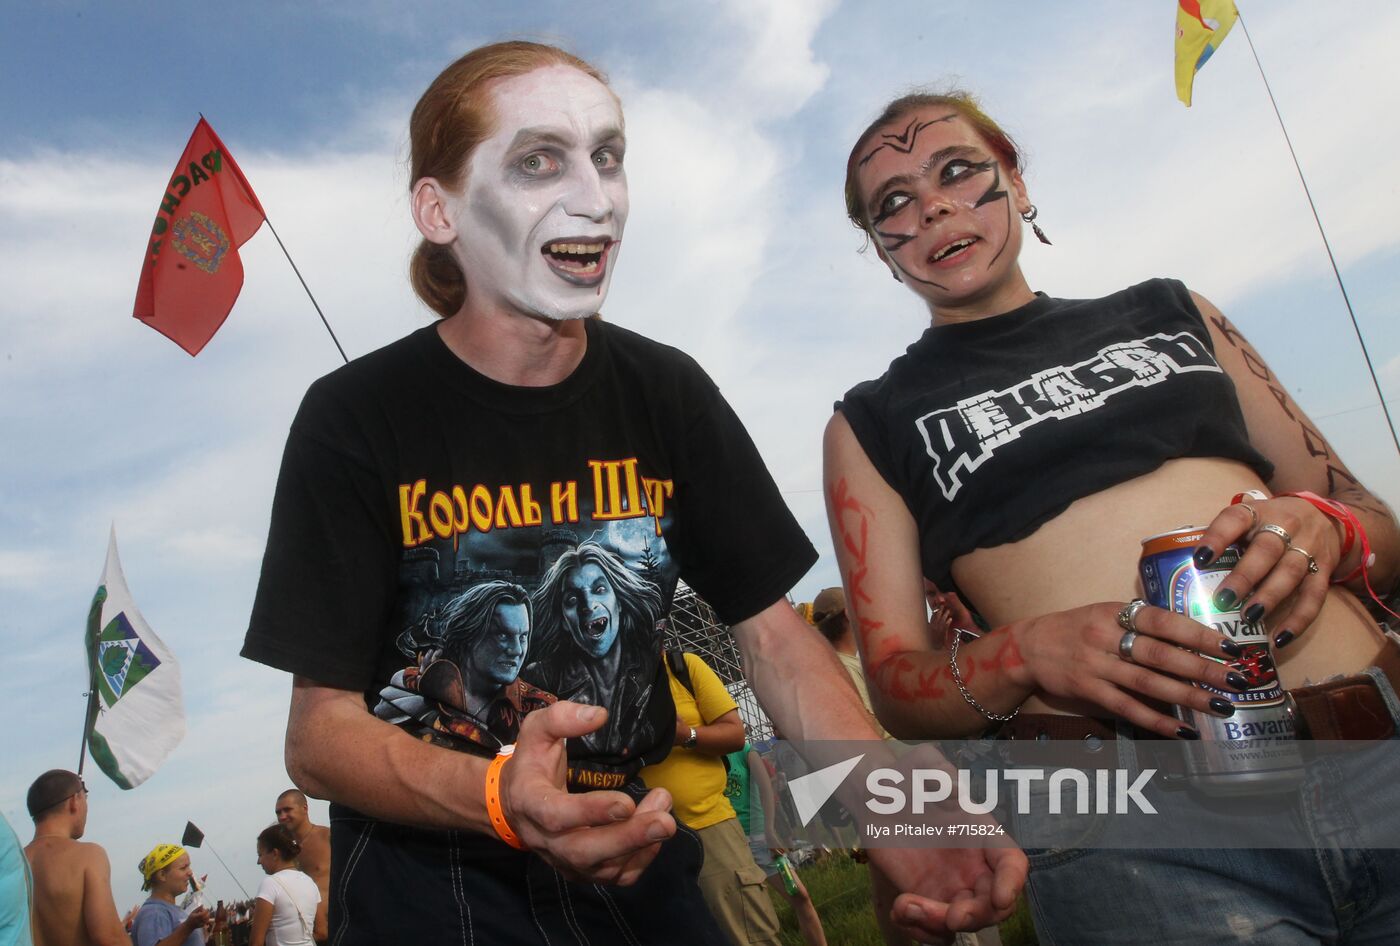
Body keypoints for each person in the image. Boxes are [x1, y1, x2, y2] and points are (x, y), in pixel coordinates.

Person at [242, 41, 1024, 945]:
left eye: (607, 156)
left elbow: (772, 636)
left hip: (646, 872)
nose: (595, 195)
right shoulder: (355, 418)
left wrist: (899, 808)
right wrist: (499, 797)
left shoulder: (666, 392)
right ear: (440, 208)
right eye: (539, 160)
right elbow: (319, 735)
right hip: (434, 900)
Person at [828, 87, 1400, 944]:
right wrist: (1024, 654)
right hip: (1145, 836)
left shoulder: (1178, 311)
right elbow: (899, 684)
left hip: (1378, 752)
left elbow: (1374, 520)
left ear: (1016, 182)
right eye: (894, 204)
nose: (935, 205)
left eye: (955, 171)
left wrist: (1326, 527)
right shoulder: (869, 423)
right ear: (881, 249)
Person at [638, 651, 780, 945]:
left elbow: (734, 735)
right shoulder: (594, 685)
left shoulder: (681, 667)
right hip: (641, 843)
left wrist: (682, 735)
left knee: (748, 936)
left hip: (709, 828)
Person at [374, 580, 555, 748]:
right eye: (502, 635)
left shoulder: (540, 706)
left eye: (523, 637)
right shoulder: (413, 682)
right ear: (470, 636)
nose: (517, 650)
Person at [722, 740, 826, 946]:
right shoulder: (698, 756)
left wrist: (769, 830)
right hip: (728, 843)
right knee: (749, 915)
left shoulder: (742, 750)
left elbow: (765, 788)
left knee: (800, 896)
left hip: (759, 839)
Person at [21, 770, 128, 946]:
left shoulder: (12, 864)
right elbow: (109, 938)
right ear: (74, 801)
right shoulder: (89, 856)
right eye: (85, 798)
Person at [249, 825, 324, 946]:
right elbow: (322, 932)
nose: (259, 861)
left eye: (260, 854)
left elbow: (255, 942)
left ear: (274, 853)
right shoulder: (310, 882)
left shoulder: (270, 884)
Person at [131, 844, 210, 946]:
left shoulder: (170, 910)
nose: (190, 873)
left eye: (189, 866)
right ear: (162, 875)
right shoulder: (154, 912)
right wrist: (188, 927)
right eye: (183, 868)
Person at [271, 790, 329, 922]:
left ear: (305, 808)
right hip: (301, 931)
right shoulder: (281, 851)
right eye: (278, 812)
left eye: (287, 810)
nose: (282, 816)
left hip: (333, 923)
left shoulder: (327, 837)